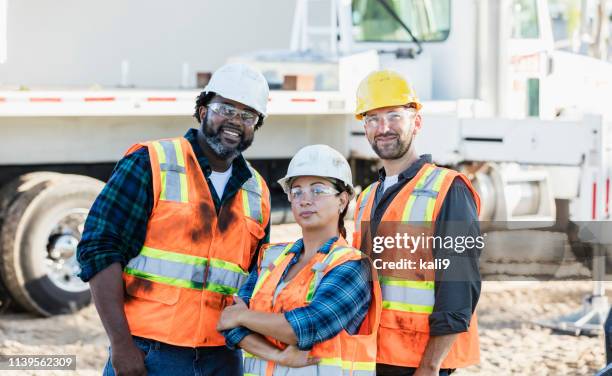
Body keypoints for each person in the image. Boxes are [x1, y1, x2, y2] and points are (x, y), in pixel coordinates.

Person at [76, 63, 272, 376]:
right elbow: (99, 249)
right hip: (149, 352)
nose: (235, 121)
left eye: (248, 115)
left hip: (222, 357)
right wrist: (122, 346)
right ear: (204, 110)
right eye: (226, 108)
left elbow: (255, 277)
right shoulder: (151, 162)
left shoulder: (257, 190)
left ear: (256, 125)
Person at [352, 70, 482, 376]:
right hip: (371, 357)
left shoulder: (449, 189)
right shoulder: (367, 198)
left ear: (417, 122)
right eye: (372, 119)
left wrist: (430, 365)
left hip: (420, 364)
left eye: (394, 116)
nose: (383, 128)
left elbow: (460, 287)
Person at [217, 144, 381, 375]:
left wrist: (244, 316)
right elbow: (230, 327)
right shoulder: (270, 258)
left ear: (342, 201)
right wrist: (278, 355)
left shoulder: (352, 266)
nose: (305, 200)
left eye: (317, 190)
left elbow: (307, 327)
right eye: (297, 192)